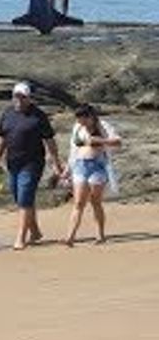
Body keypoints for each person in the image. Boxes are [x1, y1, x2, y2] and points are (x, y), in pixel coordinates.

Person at [0, 82, 64, 250]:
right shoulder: (7, 113)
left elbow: (50, 141)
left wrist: (56, 163)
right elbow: (1, 138)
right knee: (20, 197)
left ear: (29, 98)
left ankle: (20, 238)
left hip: (32, 163)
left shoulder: (38, 116)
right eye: (16, 96)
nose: (18, 100)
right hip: (12, 162)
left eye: (22, 97)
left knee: (24, 197)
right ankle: (35, 231)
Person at [63, 103, 122, 246]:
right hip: (80, 165)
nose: (80, 122)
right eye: (78, 119)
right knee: (78, 202)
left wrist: (99, 141)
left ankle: (100, 235)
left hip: (98, 166)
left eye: (83, 119)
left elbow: (118, 142)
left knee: (95, 202)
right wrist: (67, 170)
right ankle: (70, 237)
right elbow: (73, 150)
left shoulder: (103, 126)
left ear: (90, 117)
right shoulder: (77, 128)